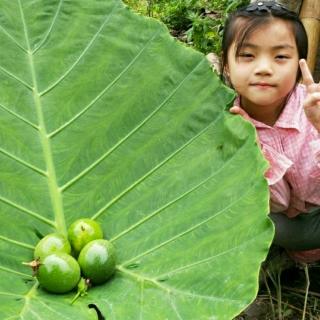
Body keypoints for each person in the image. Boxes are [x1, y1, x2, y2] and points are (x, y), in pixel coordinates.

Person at [221, 0, 320, 263]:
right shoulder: (225, 123)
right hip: (288, 225)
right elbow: (269, 203)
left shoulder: (314, 105)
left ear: (300, 67)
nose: (264, 68)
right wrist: (251, 147)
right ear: (227, 67)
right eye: (248, 55)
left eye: (280, 57)